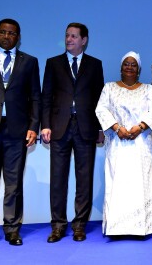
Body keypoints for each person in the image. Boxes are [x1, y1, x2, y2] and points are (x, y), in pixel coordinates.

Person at [0, 18, 41, 247]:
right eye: (2, 32)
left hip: (17, 130)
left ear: (18, 37)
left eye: (11, 33)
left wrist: (33, 127)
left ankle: (12, 229)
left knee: (13, 184)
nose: (6, 36)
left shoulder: (30, 62)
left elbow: (35, 97)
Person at [41, 22, 104, 242]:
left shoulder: (95, 65)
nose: (69, 39)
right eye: (67, 35)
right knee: (58, 179)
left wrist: (99, 127)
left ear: (84, 40)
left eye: (74, 36)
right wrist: (45, 125)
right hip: (59, 127)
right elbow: (46, 96)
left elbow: (99, 100)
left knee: (84, 179)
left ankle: (79, 225)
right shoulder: (53, 63)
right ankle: (58, 225)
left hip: (86, 127)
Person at [95, 51, 152, 237]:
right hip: (117, 145)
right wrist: (117, 128)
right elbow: (101, 109)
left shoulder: (148, 89)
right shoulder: (109, 88)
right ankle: (116, 228)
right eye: (126, 64)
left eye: (133, 64)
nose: (129, 67)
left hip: (140, 145)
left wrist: (140, 127)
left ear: (138, 69)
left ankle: (141, 228)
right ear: (120, 68)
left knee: (140, 184)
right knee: (117, 184)